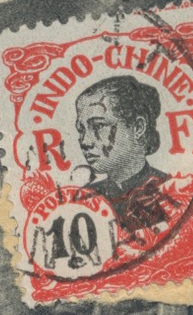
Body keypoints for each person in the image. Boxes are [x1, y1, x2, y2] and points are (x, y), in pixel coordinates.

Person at [74, 76, 178, 233]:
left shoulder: (173, 192)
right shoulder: (84, 200)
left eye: (98, 126)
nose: (85, 142)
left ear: (138, 127)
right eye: (81, 130)